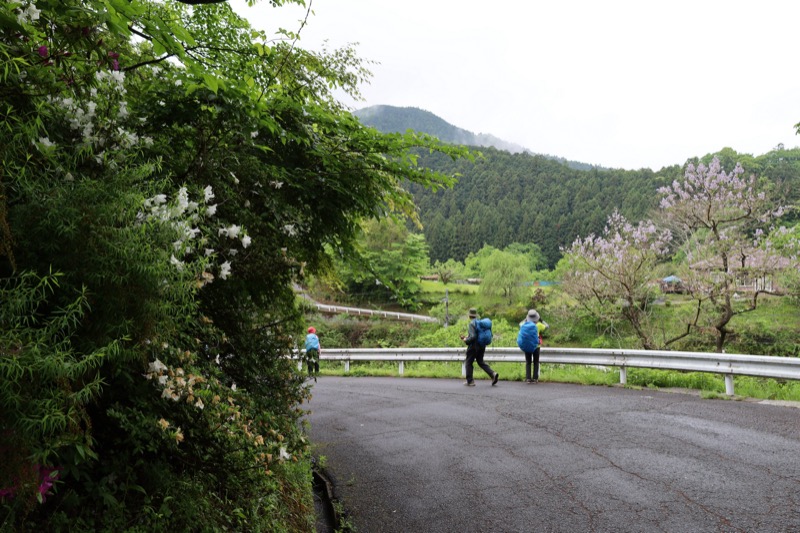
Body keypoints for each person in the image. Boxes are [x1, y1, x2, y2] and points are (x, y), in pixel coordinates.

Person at [460, 308, 499, 386]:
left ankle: (470, 381)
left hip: (474, 347)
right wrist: (468, 336)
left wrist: (465, 340)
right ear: (476, 315)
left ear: (469, 316)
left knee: (468, 362)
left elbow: (473, 336)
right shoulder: (480, 323)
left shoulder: (472, 324)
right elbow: (476, 335)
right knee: (480, 362)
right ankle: (493, 374)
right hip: (482, 346)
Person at [519, 309, 548, 383]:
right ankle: (535, 378)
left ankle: (528, 378)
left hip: (527, 345)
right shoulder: (539, 325)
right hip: (536, 346)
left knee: (528, 362)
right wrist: (541, 320)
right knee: (536, 362)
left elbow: (520, 324)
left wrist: (526, 319)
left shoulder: (524, 325)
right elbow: (547, 326)